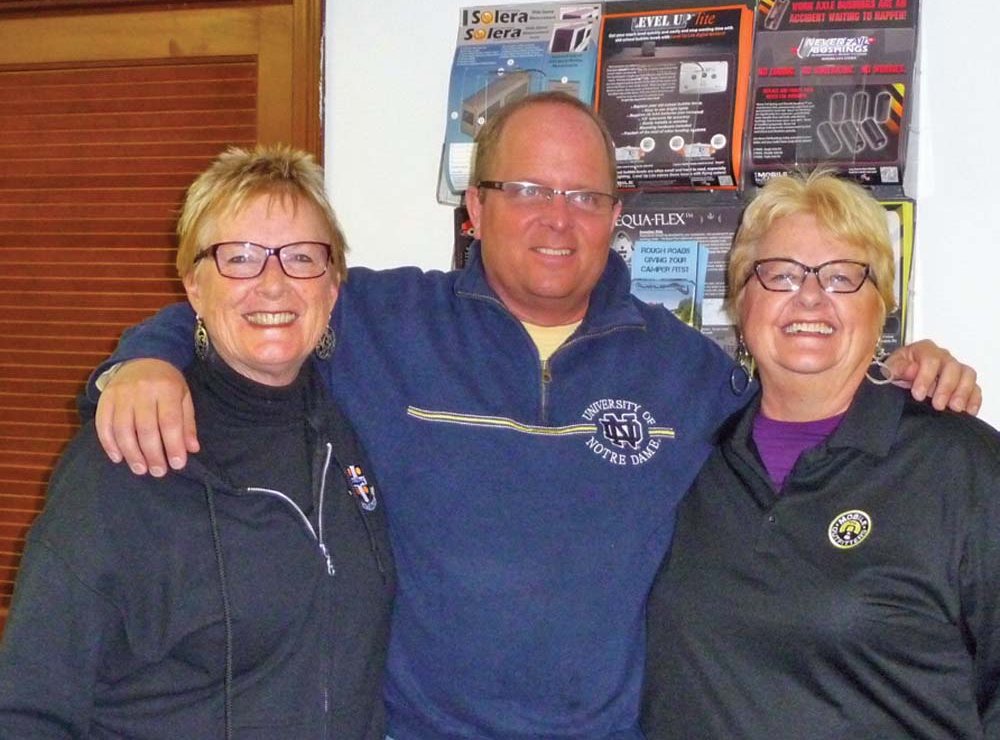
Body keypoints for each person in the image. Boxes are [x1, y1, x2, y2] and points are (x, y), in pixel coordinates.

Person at [88, 94, 979, 739]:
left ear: (615, 217)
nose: (558, 220)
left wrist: (902, 371)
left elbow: (805, 400)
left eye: (585, 196)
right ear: (475, 209)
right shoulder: (382, 323)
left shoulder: (686, 371)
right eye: (527, 190)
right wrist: (146, 358)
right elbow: (264, 303)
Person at [0, 146, 394, 739]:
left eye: (301, 257)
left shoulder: (358, 419)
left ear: (333, 285)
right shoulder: (129, 456)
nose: (273, 284)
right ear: (193, 286)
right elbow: (28, 707)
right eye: (239, 258)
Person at [641, 172, 1000, 740]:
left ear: (881, 306)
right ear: (742, 300)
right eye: (781, 274)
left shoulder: (958, 463)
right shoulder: (686, 456)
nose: (809, 296)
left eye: (841, 276)